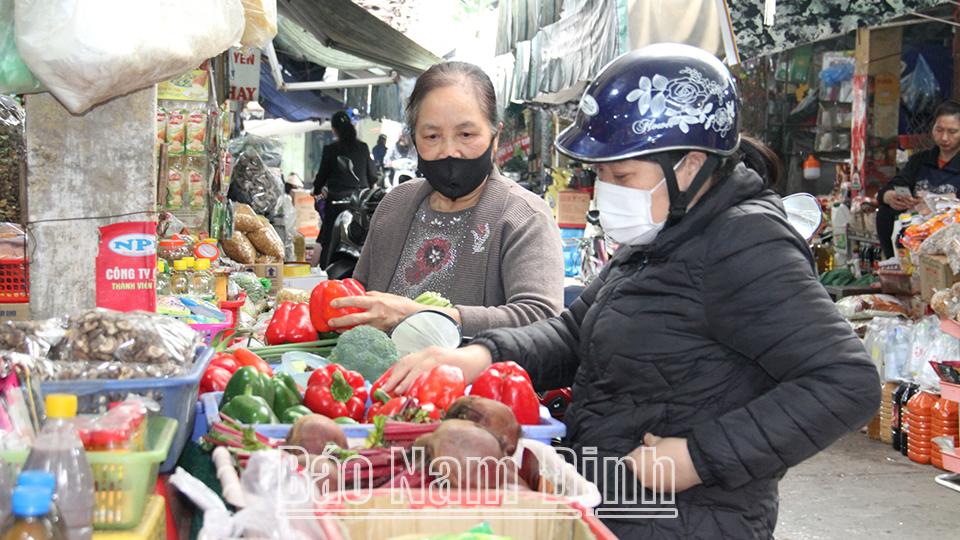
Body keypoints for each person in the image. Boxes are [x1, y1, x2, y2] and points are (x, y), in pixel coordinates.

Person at [381, 44, 881, 540]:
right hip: (616, 501)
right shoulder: (661, 231)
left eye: (622, 175)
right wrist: (481, 354)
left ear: (690, 165)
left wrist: (697, 457)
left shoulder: (744, 242)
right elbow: (574, 334)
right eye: (601, 174)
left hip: (687, 516)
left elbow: (846, 382)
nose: (607, 191)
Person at [326, 61, 564, 337]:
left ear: (495, 137)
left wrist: (419, 316)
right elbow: (362, 297)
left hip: (475, 379)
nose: (449, 151)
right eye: (432, 136)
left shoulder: (525, 217)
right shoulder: (394, 205)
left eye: (466, 134)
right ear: (414, 138)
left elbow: (542, 318)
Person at [876, 100, 960, 258]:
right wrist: (890, 196)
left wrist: (936, 202)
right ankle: (894, 263)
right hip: (916, 223)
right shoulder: (921, 160)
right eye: (939, 129)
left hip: (948, 225)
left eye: (952, 132)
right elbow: (892, 186)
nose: (944, 137)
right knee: (885, 212)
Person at [313, 111, 378, 268]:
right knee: (365, 241)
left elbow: (321, 177)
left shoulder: (331, 149)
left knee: (327, 239)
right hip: (359, 203)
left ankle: (323, 275)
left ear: (335, 130)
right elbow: (373, 177)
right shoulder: (363, 148)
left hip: (337, 203)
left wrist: (316, 189)